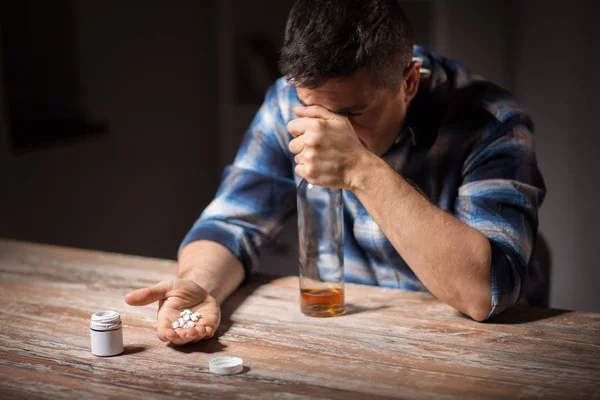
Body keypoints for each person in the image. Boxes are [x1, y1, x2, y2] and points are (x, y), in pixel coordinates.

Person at [125, 0, 545, 345]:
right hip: (351, 329)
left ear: (409, 82)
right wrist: (199, 286)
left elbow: (486, 293)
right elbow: (232, 222)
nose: (328, 130)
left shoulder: (492, 121)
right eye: (315, 108)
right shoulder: (288, 101)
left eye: (352, 113)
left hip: (480, 341)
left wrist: (361, 168)